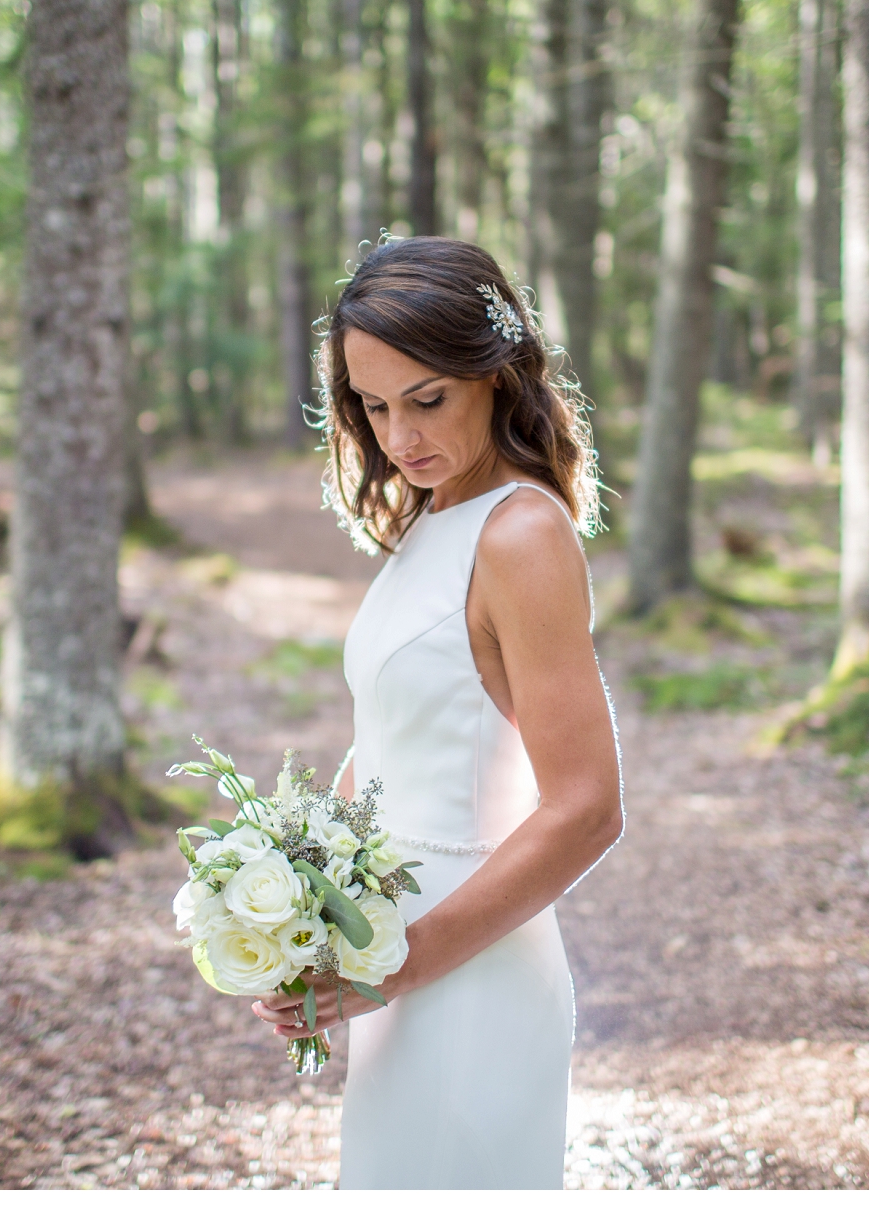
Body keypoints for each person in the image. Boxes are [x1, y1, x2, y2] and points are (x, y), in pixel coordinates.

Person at [249, 235, 624, 1189]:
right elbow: (390, 742)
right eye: (372, 406)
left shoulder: (522, 533)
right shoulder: (433, 516)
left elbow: (586, 807)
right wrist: (291, 910)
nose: (399, 436)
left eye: (426, 400)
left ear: (494, 375)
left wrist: (399, 967)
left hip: (468, 971)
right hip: (390, 958)